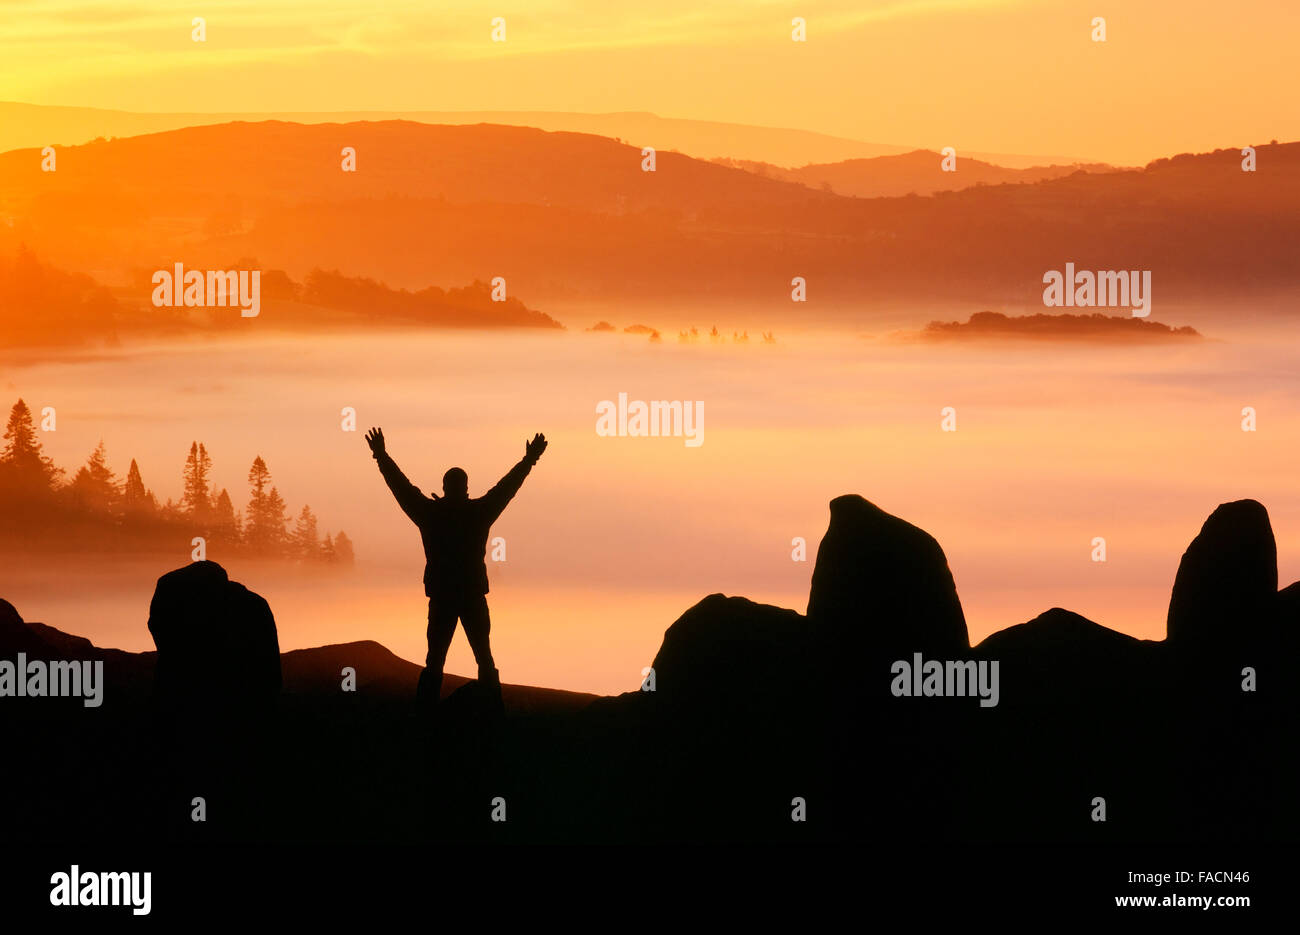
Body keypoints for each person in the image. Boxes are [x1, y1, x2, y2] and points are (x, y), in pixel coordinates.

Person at [365, 426, 547, 711]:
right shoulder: (479, 512)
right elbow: (506, 488)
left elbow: (400, 488)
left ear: (446, 486)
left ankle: (425, 717)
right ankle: (493, 713)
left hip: (442, 597)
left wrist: (381, 455)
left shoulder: (429, 514)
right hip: (472, 596)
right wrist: (529, 460)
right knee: (484, 657)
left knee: (434, 660)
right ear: (465, 488)